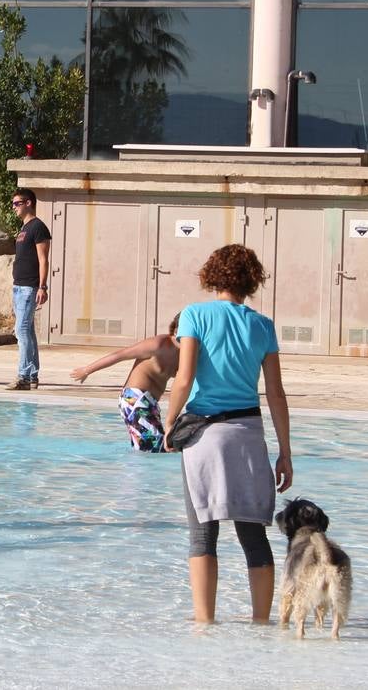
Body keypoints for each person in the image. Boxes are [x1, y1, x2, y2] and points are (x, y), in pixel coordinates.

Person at [162, 244, 293, 625]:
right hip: (249, 434)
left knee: (202, 535)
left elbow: (184, 378)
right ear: (253, 280)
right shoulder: (263, 325)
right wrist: (285, 452)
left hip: (205, 435)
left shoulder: (194, 315)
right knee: (254, 536)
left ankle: (204, 622)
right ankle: (261, 623)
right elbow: (276, 393)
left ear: (211, 276)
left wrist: (169, 423)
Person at [69, 315, 180, 452]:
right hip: (135, 399)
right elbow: (121, 355)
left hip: (150, 404)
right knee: (157, 448)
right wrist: (87, 370)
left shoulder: (185, 353)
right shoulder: (159, 343)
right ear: (175, 329)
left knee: (154, 448)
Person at [6, 188, 50, 391]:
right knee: (28, 332)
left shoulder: (38, 227)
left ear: (28, 203)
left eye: (17, 203)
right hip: (19, 287)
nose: (14, 207)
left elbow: (43, 259)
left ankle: (23, 375)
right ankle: (32, 375)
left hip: (29, 287)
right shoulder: (24, 228)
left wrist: (42, 286)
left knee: (21, 331)